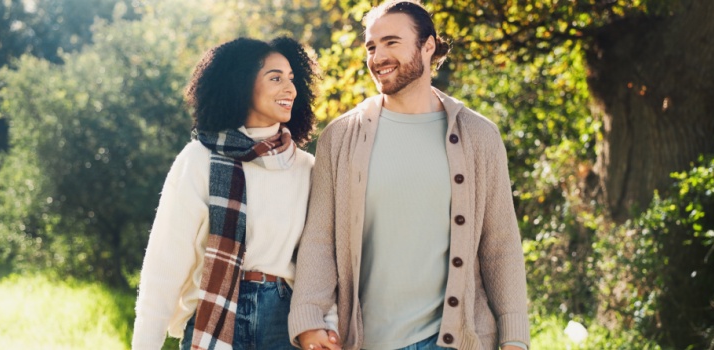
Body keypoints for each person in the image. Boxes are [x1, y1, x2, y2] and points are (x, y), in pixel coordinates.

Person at [288, 1, 530, 349]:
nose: (378, 56)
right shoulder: (340, 138)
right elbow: (320, 240)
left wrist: (515, 338)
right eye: (371, 47)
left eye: (391, 42)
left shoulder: (479, 136)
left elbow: (500, 245)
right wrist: (309, 319)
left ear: (428, 46)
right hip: (364, 340)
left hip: (453, 340)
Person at [132, 37, 339, 350]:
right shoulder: (199, 160)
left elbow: (322, 260)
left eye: (292, 79)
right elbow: (164, 264)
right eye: (275, 78)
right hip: (211, 315)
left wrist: (329, 324)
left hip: (283, 319)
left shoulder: (307, 168)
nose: (290, 89)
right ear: (242, 84)